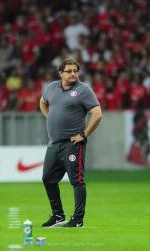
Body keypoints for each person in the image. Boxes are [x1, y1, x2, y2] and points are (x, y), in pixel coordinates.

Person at [39, 58, 102, 228]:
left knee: (77, 181)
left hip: (72, 144)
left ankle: (78, 219)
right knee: (48, 179)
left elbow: (97, 114)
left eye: (75, 70)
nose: (73, 73)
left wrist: (84, 134)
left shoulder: (84, 90)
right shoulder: (52, 87)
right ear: (60, 73)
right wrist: (49, 116)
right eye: (69, 71)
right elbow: (42, 102)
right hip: (54, 143)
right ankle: (58, 215)